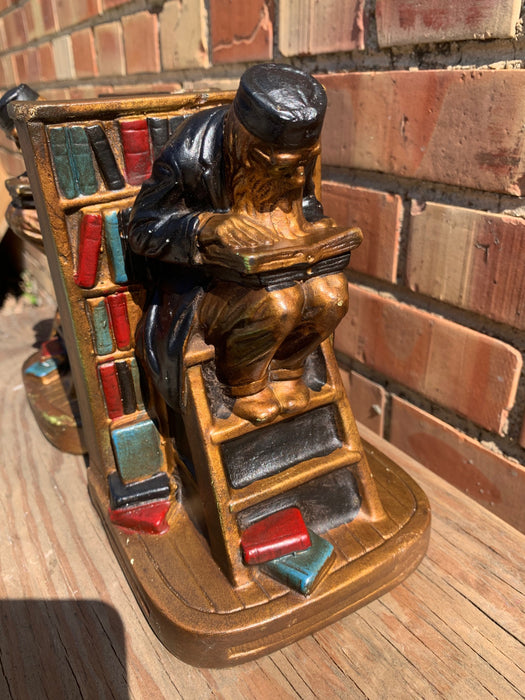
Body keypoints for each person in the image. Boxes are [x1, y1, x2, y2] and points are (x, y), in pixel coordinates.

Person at [129, 63, 351, 424]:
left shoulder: (295, 156)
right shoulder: (189, 153)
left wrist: (316, 227)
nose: (298, 176)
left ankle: (286, 370)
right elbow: (142, 228)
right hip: (204, 288)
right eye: (286, 168)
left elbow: (306, 201)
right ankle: (244, 386)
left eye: (305, 163)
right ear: (253, 152)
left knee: (332, 295)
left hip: (282, 272)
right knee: (279, 304)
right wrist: (205, 226)